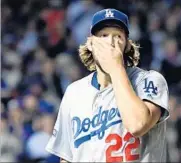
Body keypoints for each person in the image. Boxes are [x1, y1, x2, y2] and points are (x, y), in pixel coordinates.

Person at [46, 8, 170, 162]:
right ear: (91, 43)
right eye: (104, 35)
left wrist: (116, 67)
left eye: (117, 36)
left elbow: (138, 125)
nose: (110, 42)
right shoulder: (74, 93)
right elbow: (66, 157)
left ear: (126, 45)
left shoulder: (149, 80)